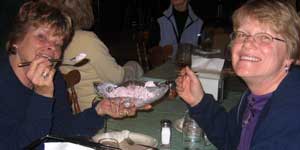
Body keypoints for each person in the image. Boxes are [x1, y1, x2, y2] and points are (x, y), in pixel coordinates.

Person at [0, 1, 148, 149]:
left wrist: (99, 111)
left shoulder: (54, 78)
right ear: (16, 41)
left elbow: (62, 130)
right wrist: (42, 96)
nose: (51, 47)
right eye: (41, 37)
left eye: (58, 43)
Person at [176, 0, 300, 149]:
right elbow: (230, 137)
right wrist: (198, 101)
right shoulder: (254, 97)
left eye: (265, 37)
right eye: (242, 34)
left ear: (290, 55)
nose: (247, 43)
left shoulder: (291, 111)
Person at [58, 0, 144, 111]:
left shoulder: (56, 40)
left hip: (75, 112)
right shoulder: (87, 40)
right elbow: (117, 78)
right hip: (100, 111)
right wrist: (134, 66)